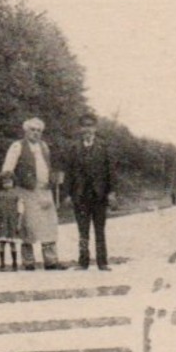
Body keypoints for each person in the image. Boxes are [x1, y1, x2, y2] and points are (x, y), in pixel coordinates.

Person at [0, 116, 63, 270]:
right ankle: (28, 262)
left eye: (39, 130)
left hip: (45, 190)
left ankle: (51, 261)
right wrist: (11, 193)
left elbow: (49, 166)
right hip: (26, 191)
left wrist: (54, 179)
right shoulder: (17, 146)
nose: (36, 133)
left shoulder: (44, 146)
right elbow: (7, 170)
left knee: (49, 225)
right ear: (26, 131)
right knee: (28, 225)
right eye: (32, 130)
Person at [63, 112, 116, 270]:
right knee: (83, 231)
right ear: (80, 128)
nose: (87, 129)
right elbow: (69, 172)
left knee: (100, 230)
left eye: (90, 126)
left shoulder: (104, 146)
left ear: (95, 128)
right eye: (84, 126)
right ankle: (83, 262)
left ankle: (102, 262)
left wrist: (112, 192)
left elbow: (111, 171)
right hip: (80, 196)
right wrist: (67, 194)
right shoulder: (73, 148)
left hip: (99, 195)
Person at [0, 172, 22, 270]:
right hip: (1, 220)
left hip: (12, 220)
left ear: (13, 182)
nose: (7, 184)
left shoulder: (16, 194)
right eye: (4, 182)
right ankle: (2, 263)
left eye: (9, 182)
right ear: (1, 183)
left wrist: (19, 220)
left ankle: (14, 263)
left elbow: (20, 207)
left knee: (12, 242)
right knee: (2, 242)